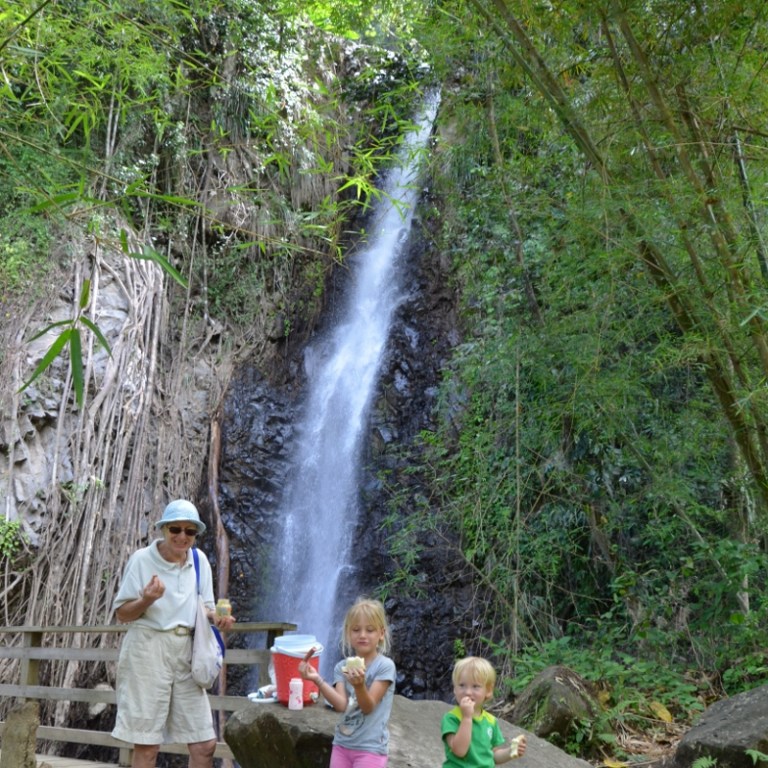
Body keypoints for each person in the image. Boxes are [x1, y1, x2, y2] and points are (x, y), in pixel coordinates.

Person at [111, 499, 236, 768]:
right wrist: (146, 599)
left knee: (205, 744)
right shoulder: (142, 560)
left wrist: (219, 620)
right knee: (147, 745)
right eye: (175, 529)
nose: (182, 536)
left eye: (190, 531)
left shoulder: (200, 560)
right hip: (147, 650)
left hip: (186, 653)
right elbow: (122, 614)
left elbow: (207, 609)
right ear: (164, 529)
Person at [298, 597, 396, 768]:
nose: (362, 635)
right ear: (348, 633)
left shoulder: (385, 666)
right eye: (356, 630)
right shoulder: (341, 667)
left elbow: (368, 706)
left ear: (381, 633)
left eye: (370, 630)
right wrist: (317, 679)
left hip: (370, 749)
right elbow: (341, 705)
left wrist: (359, 686)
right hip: (342, 745)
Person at [441, 656, 527, 767]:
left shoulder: (491, 721)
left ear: (488, 690)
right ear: (454, 689)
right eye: (462, 685)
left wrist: (510, 752)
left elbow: (493, 755)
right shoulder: (452, 718)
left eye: (475, 686)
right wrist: (467, 717)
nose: (467, 692)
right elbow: (459, 751)